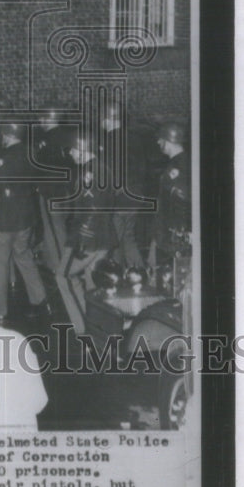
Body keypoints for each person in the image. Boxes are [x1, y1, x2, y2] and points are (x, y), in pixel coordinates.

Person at [0, 122, 49, 323]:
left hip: (4, 218)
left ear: (8, 135)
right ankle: (41, 299)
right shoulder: (31, 153)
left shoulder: (4, 159)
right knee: (24, 256)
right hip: (25, 217)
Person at [54, 135, 118, 334]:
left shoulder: (88, 173)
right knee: (93, 284)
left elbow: (92, 208)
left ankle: (83, 327)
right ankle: (100, 327)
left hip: (88, 237)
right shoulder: (103, 168)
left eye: (73, 149)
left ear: (82, 150)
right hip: (105, 235)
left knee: (63, 277)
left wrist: (82, 239)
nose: (70, 153)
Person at [97, 100, 150, 269]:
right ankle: (140, 277)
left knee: (109, 244)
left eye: (102, 118)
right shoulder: (135, 138)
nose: (100, 121)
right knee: (128, 238)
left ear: (109, 119)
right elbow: (143, 169)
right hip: (135, 197)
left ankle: (102, 279)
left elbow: (109, 176)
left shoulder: (108, 142)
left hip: (118, 200)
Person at [32, 108, 75, 270]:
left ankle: (62, 269)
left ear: (49, 119)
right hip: (68, 190)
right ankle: (54, 263)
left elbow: (40, 167)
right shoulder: (69, 137)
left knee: (55, 232)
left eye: (42, 118)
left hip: (51, 192)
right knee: (60, 228)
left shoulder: (47, 140)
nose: (40, 121)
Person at [148, 122, 190, 271]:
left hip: (172, 232)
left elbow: (182, 198)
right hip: (166, 229)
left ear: (169, 140)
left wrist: (176, 231)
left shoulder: (180, 165)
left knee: (168, 273)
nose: (158, 142)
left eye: (161, 139)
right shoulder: (177, 162)